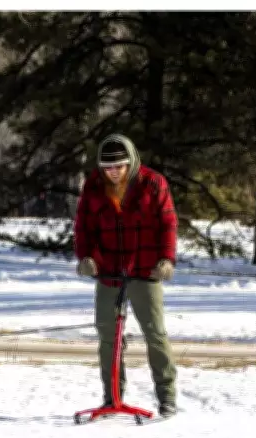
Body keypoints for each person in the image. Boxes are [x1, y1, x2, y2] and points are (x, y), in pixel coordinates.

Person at [73, 133, 178, 418]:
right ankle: (111, 397)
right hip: (108, 271)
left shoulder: (153, 183)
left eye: (119, 166)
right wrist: (86, 258)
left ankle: (167, 398)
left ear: (130, 162)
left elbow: (168, 223)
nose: (114, 172)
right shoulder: (93, 187)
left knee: (155, 334)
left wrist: (166, 260)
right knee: (108, 336)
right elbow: (83, 227)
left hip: (146, 270)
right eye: (108, 168)